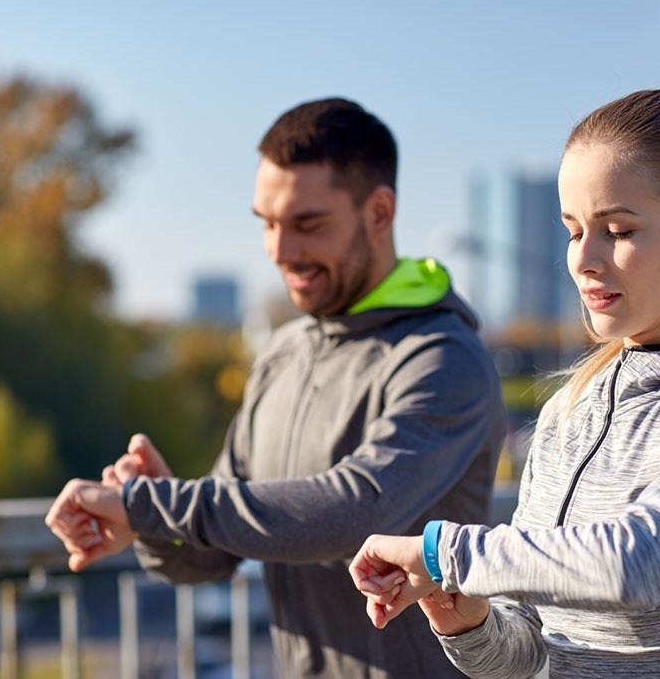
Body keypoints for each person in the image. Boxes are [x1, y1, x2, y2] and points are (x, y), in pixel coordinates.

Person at [350, 89, 660, 678]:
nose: (583, 259)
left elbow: (637, 564)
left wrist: (444, 553)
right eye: (573, 230)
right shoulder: (570, 410)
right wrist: (467, 620)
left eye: (618, 231)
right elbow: (524, 655)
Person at [45, 97, 506, 678]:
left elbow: (355, 511)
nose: (281, 251)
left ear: (380, 213)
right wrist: (155, 522)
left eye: (307, 224)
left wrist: (154, 504)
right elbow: (211, 558)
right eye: (266, 222)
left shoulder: (443, 358)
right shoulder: (284, 354)